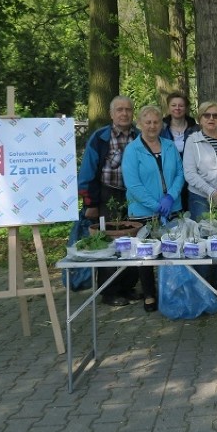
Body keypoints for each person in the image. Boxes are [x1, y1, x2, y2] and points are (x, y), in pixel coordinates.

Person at [76, 95, 140, 306]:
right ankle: (109, 290)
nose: (124, 113)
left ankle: (128, 287)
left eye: (128, 110)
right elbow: (87, 172)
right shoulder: (100, 137)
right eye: (119, 110)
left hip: (133, 196)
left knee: (132, 240)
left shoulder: (139, 136)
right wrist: (90, 204)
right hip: (107, 195)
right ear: (112, 114)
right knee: (109, 243)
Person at [121, 105, 185, 312]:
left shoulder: (169, 146)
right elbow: (133, 184)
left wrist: (171, 197)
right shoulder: (132, 150)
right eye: (147, 122)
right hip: (143, 211)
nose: (152, 126)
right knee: (146, 253)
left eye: (156, 122)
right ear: (140, 124)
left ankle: (173, 291)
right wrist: (156, 205)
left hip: (172, 207)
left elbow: (180, 174)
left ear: (161, 124)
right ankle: (149, 294)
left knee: (172, 249)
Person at [160, 91, 198, 211]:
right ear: (168, 107)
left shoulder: (196, 129)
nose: (177, 108)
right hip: (169, 176)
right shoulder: (161, 128)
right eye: (174, 105)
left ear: (186, 108)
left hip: (192, 176)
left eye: (181, 105)